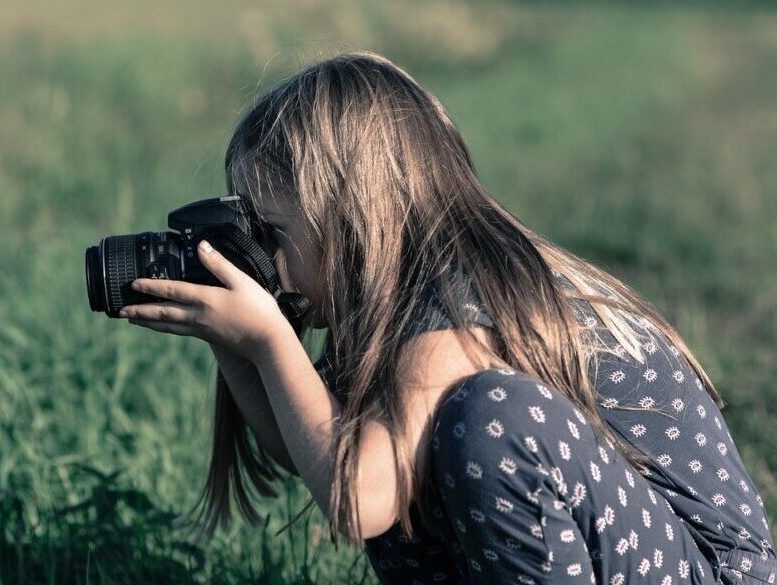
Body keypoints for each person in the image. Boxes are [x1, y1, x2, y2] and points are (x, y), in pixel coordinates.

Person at [116, 51, 775, 584]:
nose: (263, 256)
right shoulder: (390, 316)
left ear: (350, 221)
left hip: (706, 572)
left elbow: (355, 497)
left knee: (490, 420)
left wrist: (265, 337)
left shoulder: (452, 303)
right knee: (406, 462)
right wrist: (233, 345)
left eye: (271, 232)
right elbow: (314, 452)